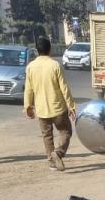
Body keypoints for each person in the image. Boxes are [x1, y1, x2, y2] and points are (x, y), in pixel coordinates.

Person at [24, 35, 76, 171]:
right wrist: (71, 106)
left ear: (37, 50)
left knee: (47, 136)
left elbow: (28, 89)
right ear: (50, 49)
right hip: (58, 108)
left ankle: (52, 163)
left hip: (41, 109)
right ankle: (58, 153)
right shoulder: (54, 65)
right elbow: (64, 87)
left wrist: (28, 106)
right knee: (66, 132)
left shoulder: (30, 67)